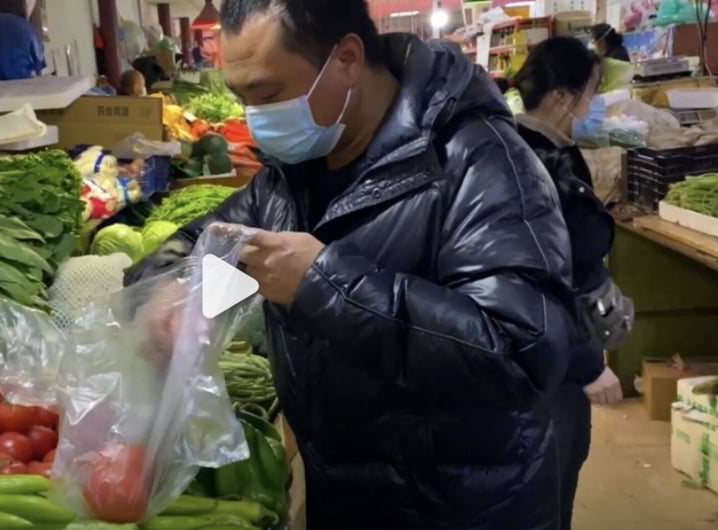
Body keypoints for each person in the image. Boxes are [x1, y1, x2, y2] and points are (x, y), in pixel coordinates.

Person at [128, 1, 578, 528]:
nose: (254, 118)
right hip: (343, 493)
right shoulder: (293, 174)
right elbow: (215, 243)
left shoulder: (482, 163)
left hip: (463, 505)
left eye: (268, 95)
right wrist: (170, 286)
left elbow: (523, 354)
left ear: (345, 59)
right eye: (240, 98)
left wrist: (325, 286)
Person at [511, 36, 628, 530]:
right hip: (547, 364)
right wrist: (586, 365)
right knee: (547, 482)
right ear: (562, 97)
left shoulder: (545, 150)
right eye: (591, 94)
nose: (593, 107)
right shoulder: (530, 167)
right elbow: (535, 282)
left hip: (555, 355)